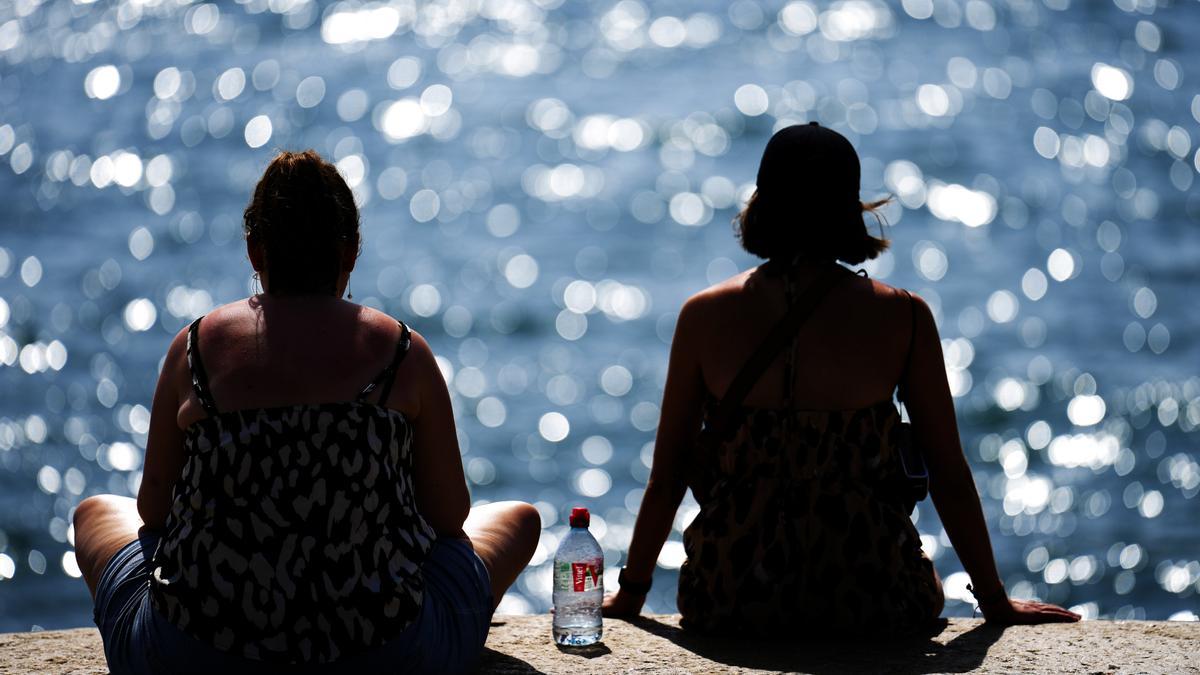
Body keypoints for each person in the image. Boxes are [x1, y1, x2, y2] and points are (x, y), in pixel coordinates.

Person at [72, 150, 541, 673]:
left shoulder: (194, 349)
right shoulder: (402, 353)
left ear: (255, 249)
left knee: (95, 512)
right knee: (518, 519)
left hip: (193, 655)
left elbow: (153, 513)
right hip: (386, 656)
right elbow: (450, 518)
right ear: (351, 250)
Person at [602, 123, 1080, 632]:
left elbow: (667, 478)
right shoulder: (904, 317)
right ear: (849, 211)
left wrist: (631, 594)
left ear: (762, 206)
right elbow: (948, 473)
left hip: (732, 594)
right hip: (875, 594)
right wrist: (995, 601)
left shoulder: (702, 316)